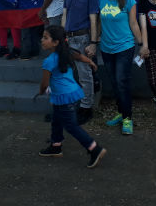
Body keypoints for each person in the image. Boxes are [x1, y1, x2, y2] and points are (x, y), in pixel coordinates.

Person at [37, 25, 107, 167]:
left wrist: (41, 91)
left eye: (45, 38)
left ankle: (94, 148)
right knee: (56, 120)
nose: (42, 40)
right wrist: (91, 62)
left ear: (56, 42)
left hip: (64, 97)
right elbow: (80, 57)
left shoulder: (49, 61)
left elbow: (44, 83)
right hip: (70, 95)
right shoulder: (67, 51)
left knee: (71, 126)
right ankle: (56, 146)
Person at [98, 0, 143, 135]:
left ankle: (127, 118)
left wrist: (142, 44)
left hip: (124, 47)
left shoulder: (129, 0)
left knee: (121, 82)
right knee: (115, 82)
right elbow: (100, 23)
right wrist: (95, 41)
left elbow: (133, 24)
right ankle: (121, 111)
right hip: (106, 48)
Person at [62, 0, 100, 124]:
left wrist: (93, 42)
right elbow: (65, 15)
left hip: (83, 38)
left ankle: (86, 107)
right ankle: (76, 104)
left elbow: (93, 19)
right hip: (69, 38)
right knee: (73, 75)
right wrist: (62, 37)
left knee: (85, 74)